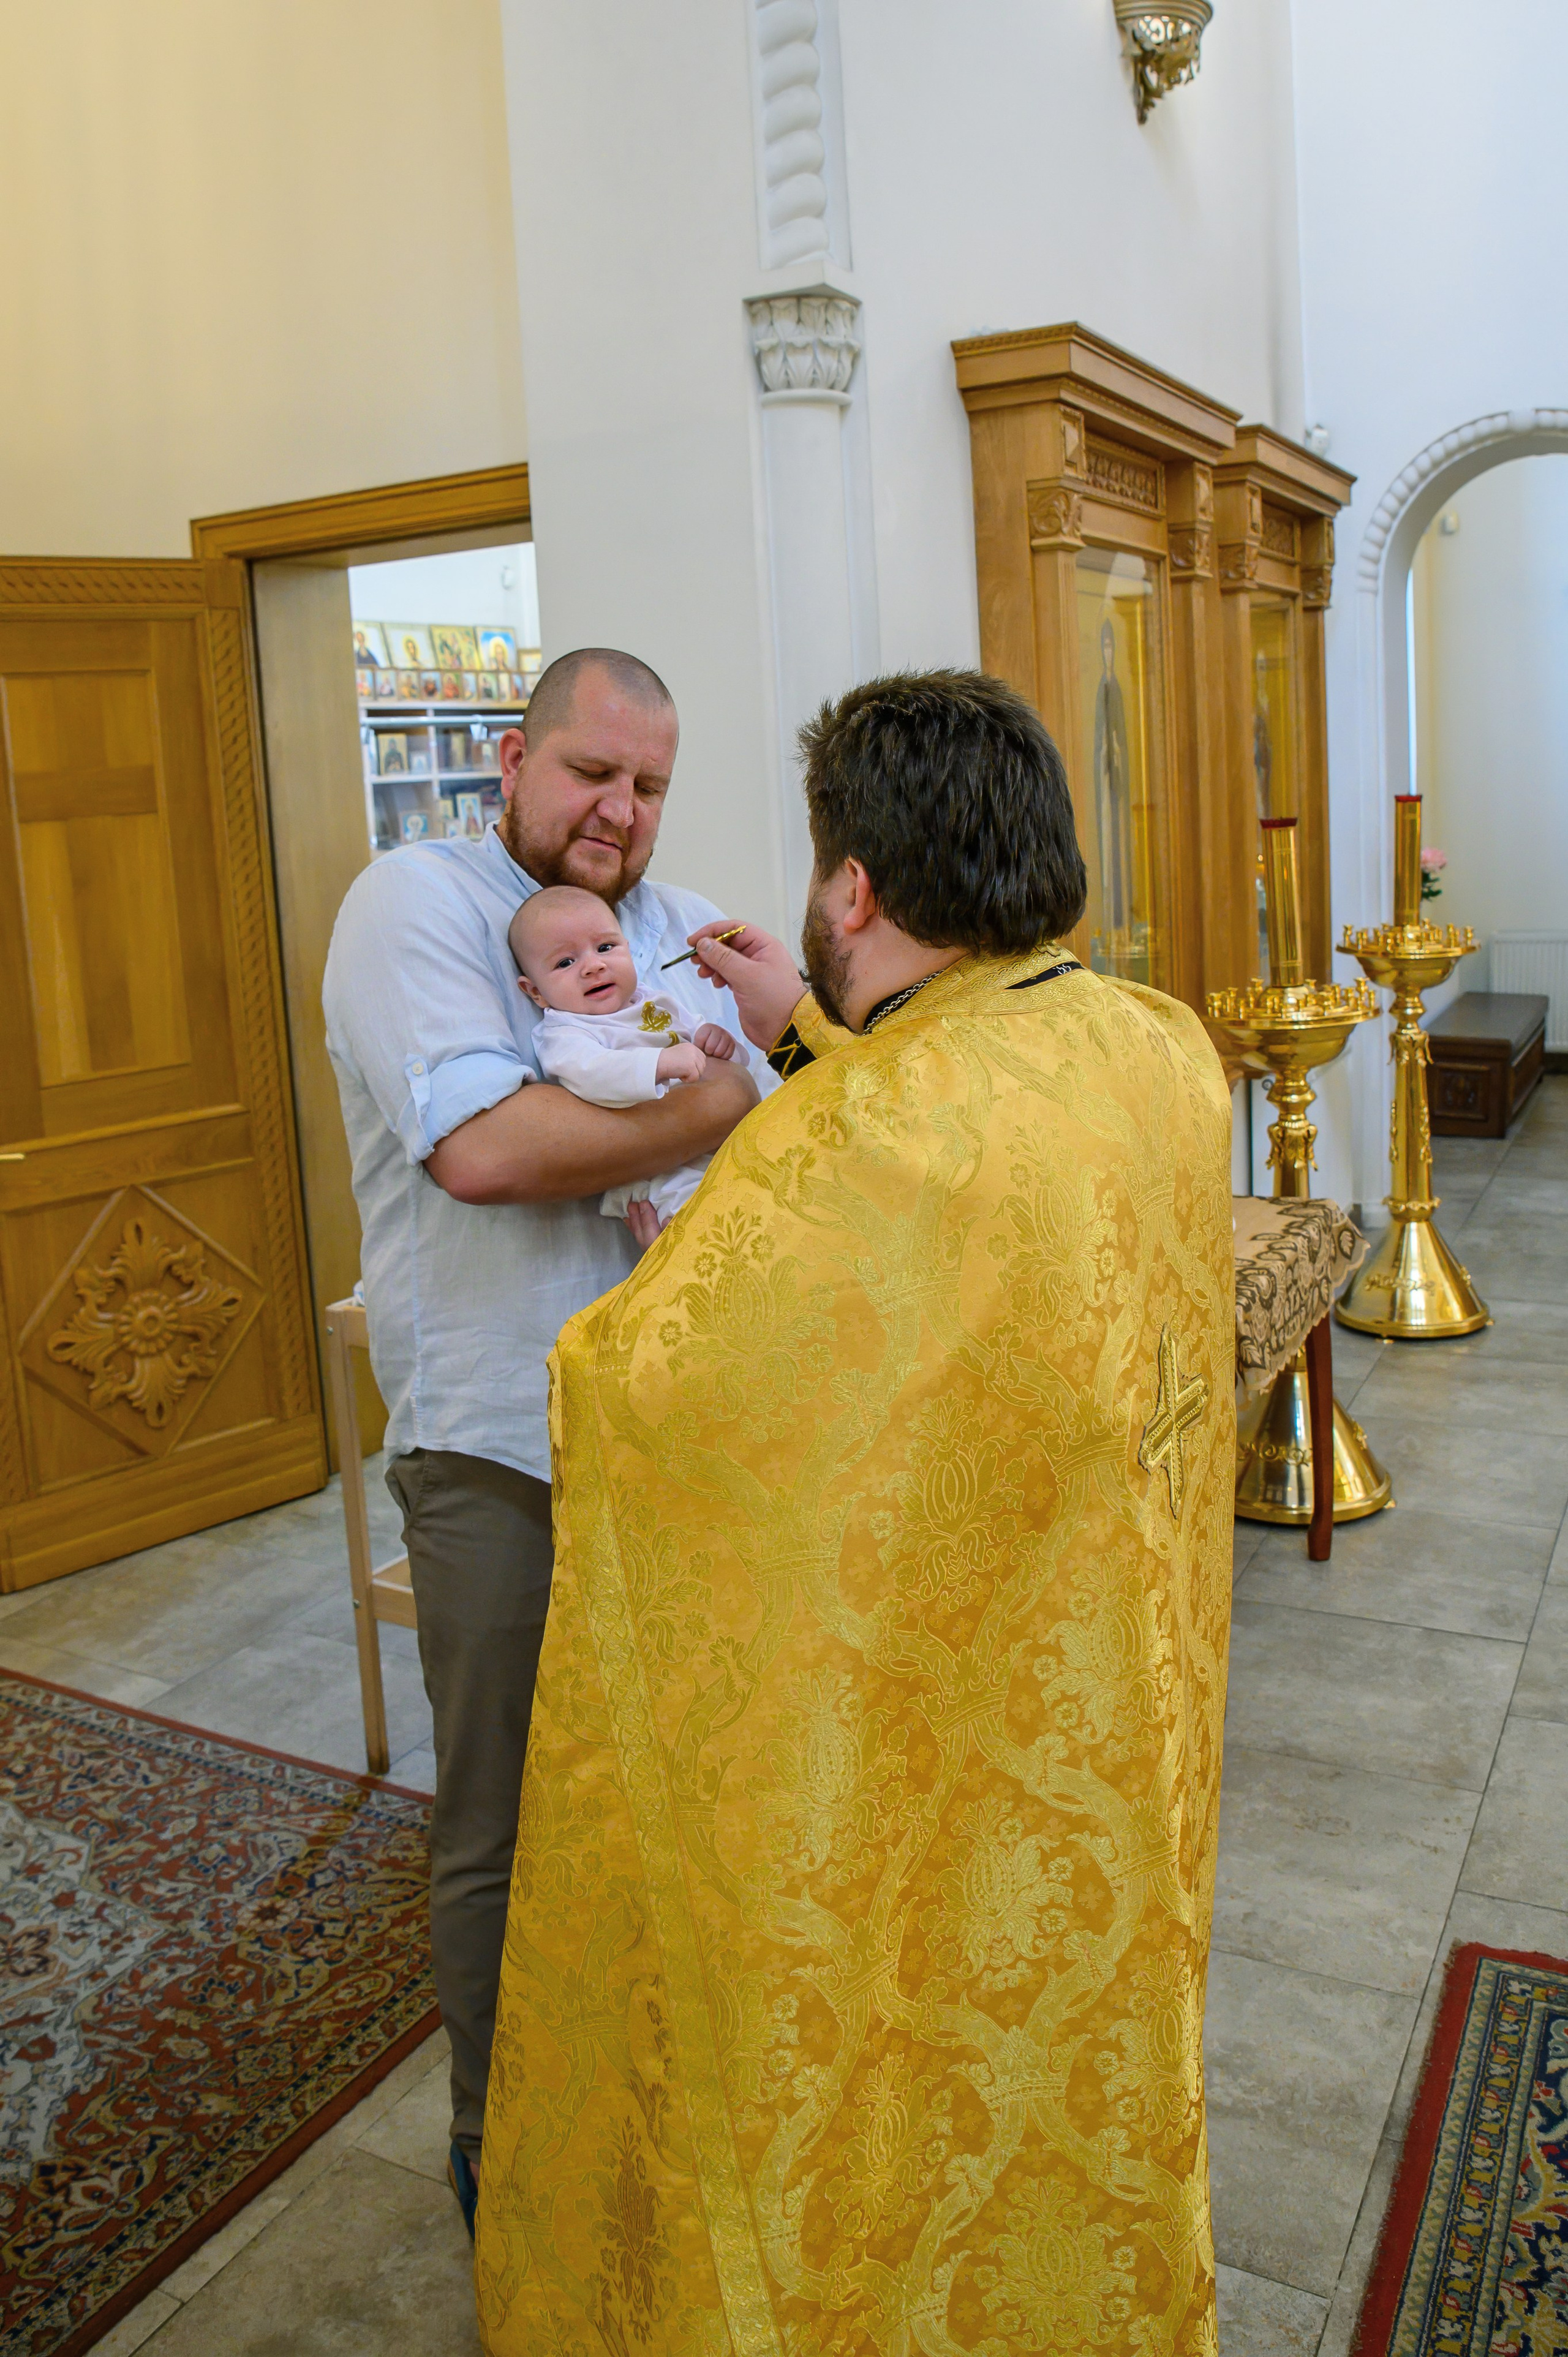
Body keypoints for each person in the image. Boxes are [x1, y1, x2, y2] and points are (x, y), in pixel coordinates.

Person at [475, 669, 1235, 2357]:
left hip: (944, 1701)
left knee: (912, 2012)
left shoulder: (852, 1147)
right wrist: (809, 1041)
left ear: (852, 890)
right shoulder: (1149, 1043)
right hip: (1113, 1672)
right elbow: (964, 1124)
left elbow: (639, 1385)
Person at [322, 648, 761, 2238]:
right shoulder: (416, 907)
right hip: (499, 1447)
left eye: (647, 785)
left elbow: (799, 1105)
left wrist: (727, 1099)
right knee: (503, 1829)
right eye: (590, 773)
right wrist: (715, 1103)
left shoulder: (671, 916)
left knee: (665, 1809)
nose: (619, 813)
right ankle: (508, 2158)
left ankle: (639, 2097)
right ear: (511, 757)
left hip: (673, 1443)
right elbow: (494, 1153)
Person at [508, 883, 745, 1225]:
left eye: (606, 947)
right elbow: (594, 1074)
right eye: (565, 962)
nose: (593, 966)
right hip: (654, 1171)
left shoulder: (652, 1000)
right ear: (535, 991)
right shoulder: (565, 1032)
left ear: (629, 951)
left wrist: (719, 1043)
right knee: (705, 1223)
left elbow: (710, 1052)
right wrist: (658, 1065)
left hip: (710, 1142)